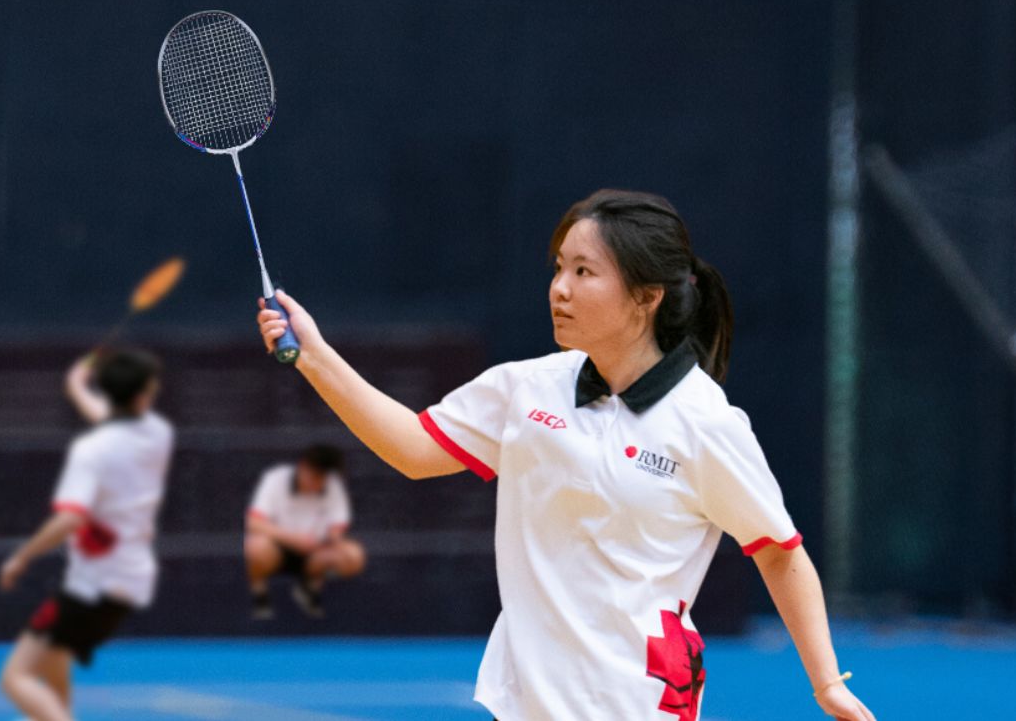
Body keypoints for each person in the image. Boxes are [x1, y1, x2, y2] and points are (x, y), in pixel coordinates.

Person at [255, 190, 876, 721]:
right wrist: (313, 355)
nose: (560, 289)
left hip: (635, 702)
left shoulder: (705, 423)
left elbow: (777, 551)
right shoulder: (527, 389)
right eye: (559, 268)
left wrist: (825, 683)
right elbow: (415, 449)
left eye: (585, 273)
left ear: (646, 295)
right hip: (525, 700)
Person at [0, 349, 174, 721]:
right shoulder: (158, 434)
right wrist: (77, 388)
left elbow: (69, 520)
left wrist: (22, 556)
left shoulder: (91, 452)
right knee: (56, 655)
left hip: (93, 585)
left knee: (16, 677)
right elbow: (111, 422)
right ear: (144, 395)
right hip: (131, 580)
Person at [244, 444, 365, 619]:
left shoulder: (333, 487)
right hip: (276, 550)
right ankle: (260, 597)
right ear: (303, 467)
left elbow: (337, 530)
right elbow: (254, 522)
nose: (317, 483)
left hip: (314, 553)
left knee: (353, 555)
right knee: (255, 546)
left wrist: (327, 542)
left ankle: (308, 588)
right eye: (314, 476)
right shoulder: (275, 479)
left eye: (322, 478)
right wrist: (293, 539)